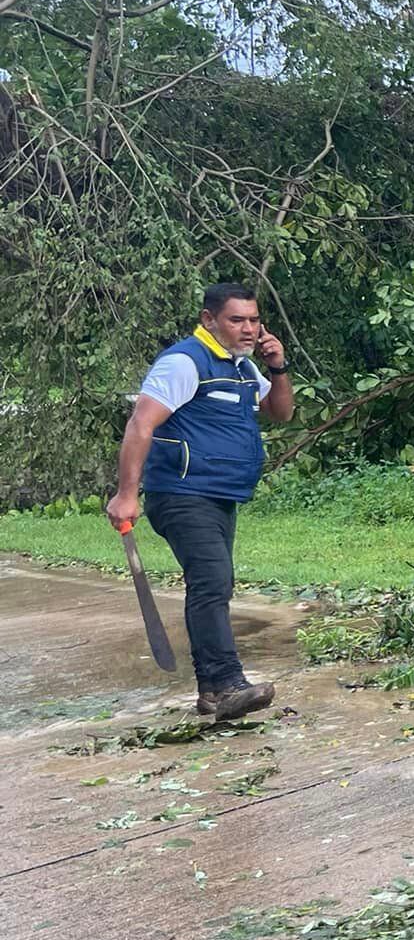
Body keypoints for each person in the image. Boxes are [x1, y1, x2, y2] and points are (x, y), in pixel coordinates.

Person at [105, 282, 294, 721]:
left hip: (221, 495)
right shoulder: (185, 362)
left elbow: (280, 412)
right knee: (211, 581)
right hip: (181, 492)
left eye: (253, 320)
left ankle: (210, 692)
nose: (248, 329)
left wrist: (278, 367)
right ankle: (227, 684)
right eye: (236, 320)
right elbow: (140, 424)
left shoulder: (242, 367)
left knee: (216, 584)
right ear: (209, 319)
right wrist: (127, 494)